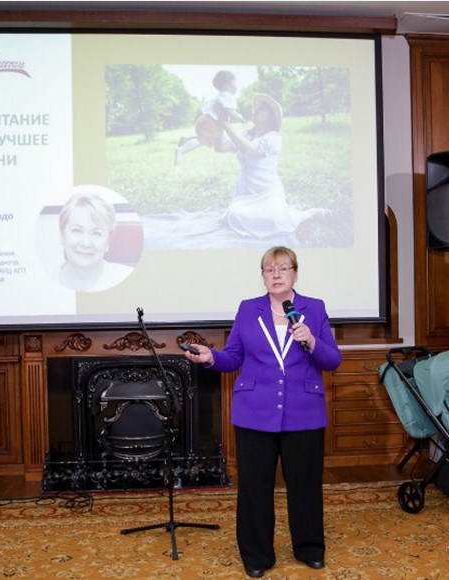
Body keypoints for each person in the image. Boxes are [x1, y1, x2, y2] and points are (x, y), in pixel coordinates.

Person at [182, 246, 341, 578]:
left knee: (305, 486)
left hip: (304, 412)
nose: (276, 275)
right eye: (269, 269)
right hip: (254, 412)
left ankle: (309, 548)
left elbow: (332, 360)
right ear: (263, 276)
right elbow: (233, 357)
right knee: (254, 488)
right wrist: (210, 357)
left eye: (283, 268)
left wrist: (311, 340)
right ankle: (256, 555)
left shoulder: (313, 308)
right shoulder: (248, 309)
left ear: (295, 274)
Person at [214, 93, 329, 241]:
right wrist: (220, 124)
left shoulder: (273, 137)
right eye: (255, 107)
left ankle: (307, 214)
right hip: (246, 192)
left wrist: (226, 124)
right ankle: (289, 211)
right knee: (233, 214)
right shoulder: (245, 134)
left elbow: (250, 149)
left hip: (267, 191)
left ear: (270, 116)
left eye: (262, 109)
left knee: (275, 220)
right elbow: (220, 147)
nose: (255, 110)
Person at [58, 189, 133, 292]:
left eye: (96, 233)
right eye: (77, 231)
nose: (86, 243)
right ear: (62, 236)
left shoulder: (127, 278)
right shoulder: (43, 281)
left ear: (108, 241)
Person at [174, 69, 245, 166]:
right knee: (202, 140)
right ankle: (181, 150)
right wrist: (239, 117)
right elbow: (229, 111)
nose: (237, 85)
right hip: (211, 122)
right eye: (235, 82)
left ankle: (187, 139)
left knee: (211, 138)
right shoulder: (226, 95)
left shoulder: (222, 95)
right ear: (228, 84)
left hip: (209, 121)